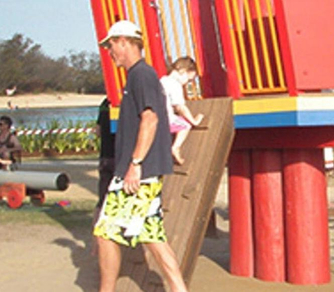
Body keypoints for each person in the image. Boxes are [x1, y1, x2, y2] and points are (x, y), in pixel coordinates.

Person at [94, 20, 187, 292]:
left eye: (110, 45)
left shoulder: (141, 75)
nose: (109, 51)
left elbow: (150, 119)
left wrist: (134, 165)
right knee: (152, 235)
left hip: (137, 173)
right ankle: (180, 289)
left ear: (124, 41)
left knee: (105, 233)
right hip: (141, 172)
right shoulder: (138, 75)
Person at [160, 56, 204, 165]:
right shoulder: (175, 85)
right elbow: (180, 107)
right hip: (166, 119)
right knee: (185, 125)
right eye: (188, 80)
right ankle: (176, 147)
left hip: (156, 118)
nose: (186, 83)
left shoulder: (162, 80)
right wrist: (193, 121)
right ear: (183, 71)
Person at [97, 98, 116, 209]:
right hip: (118, 156)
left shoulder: (104, 102)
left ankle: (96, 224)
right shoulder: (120, 103)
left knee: (102, 199)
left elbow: (98, 130)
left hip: (105, 155)